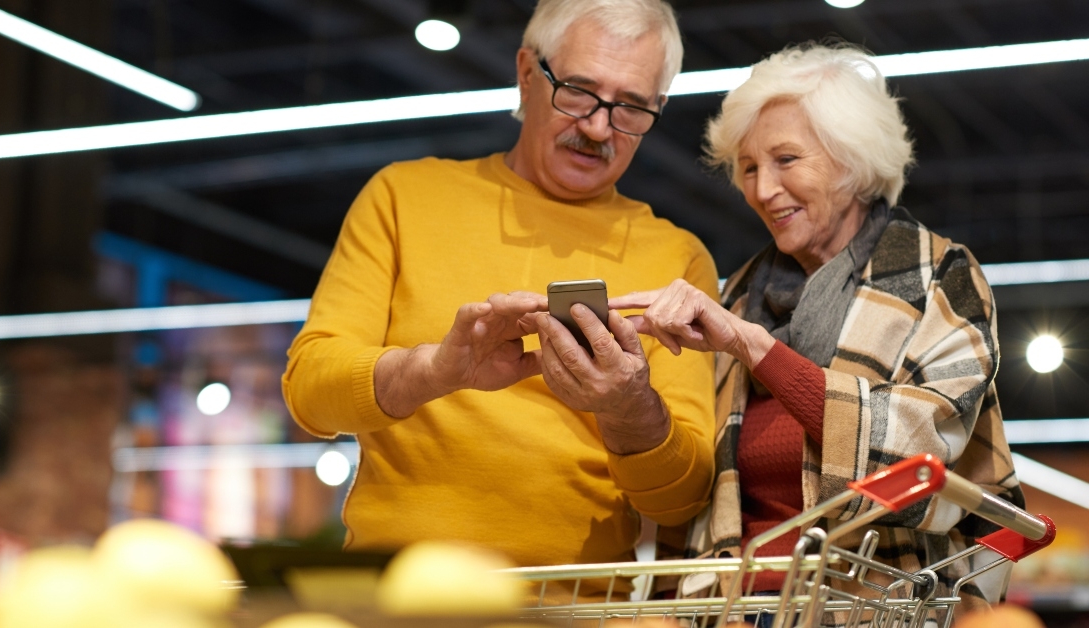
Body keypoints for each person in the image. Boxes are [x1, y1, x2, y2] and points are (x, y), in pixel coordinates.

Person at [282, 0, 718, 579]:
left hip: (571, 610)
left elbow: (680, 501)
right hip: (395, 599)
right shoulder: (404, 198)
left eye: (631, 107)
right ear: (525, 73)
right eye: (579, 92)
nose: (597, 127)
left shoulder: (677, 258)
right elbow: (310, 393)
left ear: (658, 108)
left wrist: (627, 405)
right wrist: (435, 370)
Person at [612, 43, 1021, 611]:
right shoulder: (736, 294)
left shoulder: (936, 276)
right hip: (735, 613)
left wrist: (757, 349)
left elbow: (915, 460)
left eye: (785, 160)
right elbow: (701, 498)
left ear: (853, 161)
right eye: (749, 167)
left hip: (882, 610)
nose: (761, 189)